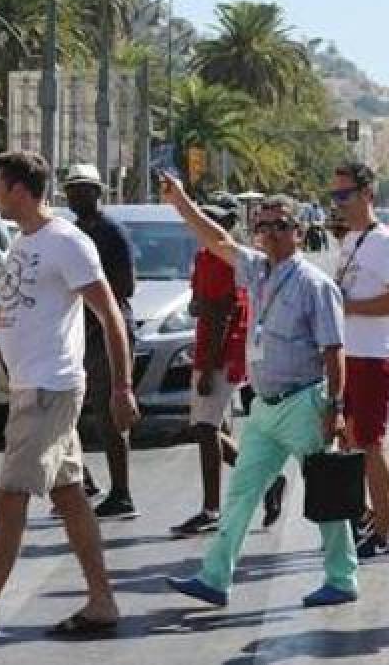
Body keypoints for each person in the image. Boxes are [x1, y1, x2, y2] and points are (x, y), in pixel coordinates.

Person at [0, 152, 138, 636]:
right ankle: (102, 601)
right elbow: (11, 315)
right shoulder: (21, 243)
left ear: (21, 191)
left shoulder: (68, 243)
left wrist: (122, 387)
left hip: (51, 386)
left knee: (10, 496)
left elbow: (110, 314)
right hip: (30, 385)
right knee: (70, 496)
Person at [161, 176, 358, 609]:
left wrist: (336, 408)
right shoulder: (257, 270)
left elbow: (334, 350)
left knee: (324, 492)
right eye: (264, 226)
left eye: (281, 225)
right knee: (241, 494)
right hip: (265, 407)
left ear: (299, 233)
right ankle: (214, 578)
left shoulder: (314, 285)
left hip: (305, 402)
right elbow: (216, 240)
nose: (271, 233)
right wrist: (182, 202)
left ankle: (342, 579)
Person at [171, 201, 287, 536]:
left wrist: (207, 367)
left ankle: (211, 509)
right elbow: (198, 303)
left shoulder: (228, 261)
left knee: (205, 430)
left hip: (222, 354)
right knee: (207, 429)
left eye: (215, 221)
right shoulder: (203, 257)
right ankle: (268, 480)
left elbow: (222, 313)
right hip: (208, 347)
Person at [330, 161, 389, 560]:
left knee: (368, 444)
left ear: (368, 194)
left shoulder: (385, 242)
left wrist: (349, 306)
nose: (338, 203)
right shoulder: (351, 239)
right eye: (334, 196)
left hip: (372, 356)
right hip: (348, 356)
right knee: (348, 440)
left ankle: (384, 533)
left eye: (344, 195)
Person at [63, 163, 136, 517]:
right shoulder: (72, 232)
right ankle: (83, 479)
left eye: (83, 189)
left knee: (110, 414)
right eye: (71, 190)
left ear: (97, 193)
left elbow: (125, 288)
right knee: (70, 410)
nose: (76, 196)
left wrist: (93, 295)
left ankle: (122, 492)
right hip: (78, 332)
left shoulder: (112, 232)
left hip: (107, 330)